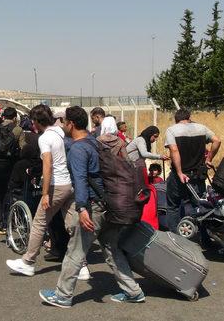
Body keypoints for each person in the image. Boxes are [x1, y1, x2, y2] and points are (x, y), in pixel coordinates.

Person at [38, 106, 144, 308]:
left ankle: (63, 295)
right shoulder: (95, 142)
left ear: (71, 124)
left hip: (93, 207)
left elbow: (80, 180)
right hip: (109, 204)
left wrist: (82, 208)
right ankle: (133, 291)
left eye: (64, 122)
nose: (62, 125)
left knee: (75, 250)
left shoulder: (78, 148)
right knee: (112, 249)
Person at [6, 104, 75, 277]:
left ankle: (28, 262)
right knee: (72, 225)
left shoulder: (44, 138)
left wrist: (45, 194)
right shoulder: (60, 132)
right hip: (68, 183)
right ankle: (80, 265)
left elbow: (47, 165)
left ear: (37, 121)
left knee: (39, 223)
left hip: (55, 185)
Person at [164, 108, 221, 232]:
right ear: (189, 118)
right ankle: (205, 237)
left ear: (176, 119)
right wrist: (209, 158)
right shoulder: (201, 128)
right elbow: (217, 140)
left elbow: (174, 150)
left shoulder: (172, 130)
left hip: (179, 175)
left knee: (173, 205)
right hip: (198, 174)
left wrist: (179, 172)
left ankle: (174, 236)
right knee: (200, 205)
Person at [0, 107, 22, 235]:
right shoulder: (17, 130)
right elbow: (23, 149)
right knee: (9, 193)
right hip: (10, 167)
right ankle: (10, 221)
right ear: (14, 117)